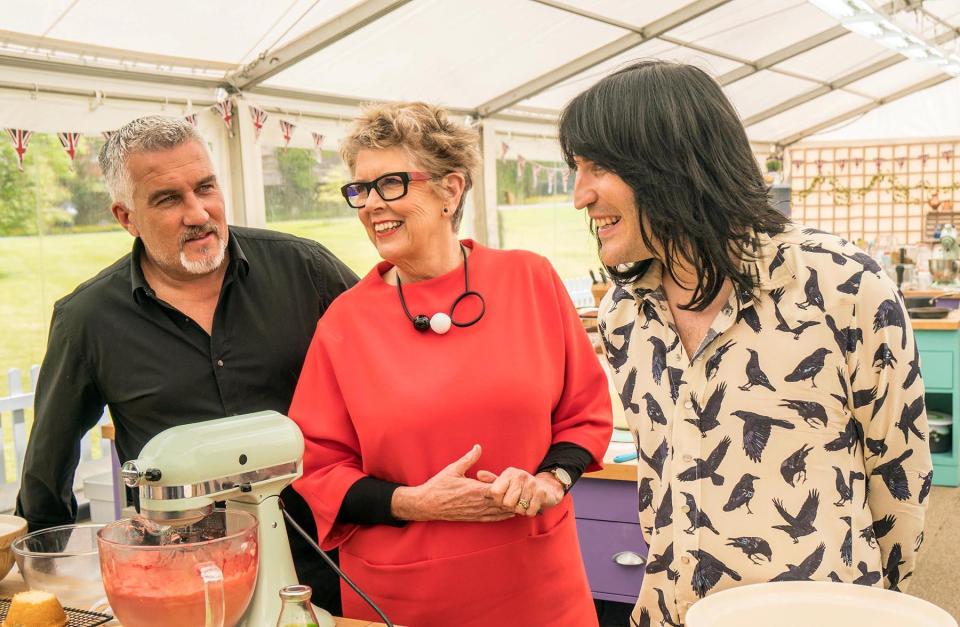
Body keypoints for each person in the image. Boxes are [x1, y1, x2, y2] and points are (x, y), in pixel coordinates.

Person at [559, 60, 932, 626]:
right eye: (575, 169)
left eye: (599, 167)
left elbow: (899, 477)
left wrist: (873, 605)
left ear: (670, 162)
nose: (579, 196)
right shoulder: (623, 314)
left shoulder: (841, 284)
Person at [15, 115, 357, 614]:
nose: (198, 213)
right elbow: (48, 472)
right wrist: (40, 590)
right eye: (168, 199)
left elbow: (391, 372)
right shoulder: (86, 319)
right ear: (126, 217)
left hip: (331, 566)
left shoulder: (306, 269)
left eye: (205, 188)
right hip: (182, 593)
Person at [288, 101, 613, 627]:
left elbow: (585, 411)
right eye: (360, 189)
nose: (372, 204)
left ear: (450, 189)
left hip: (537, 585)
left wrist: (551, 479)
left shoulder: (530, 280)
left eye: (390, 183)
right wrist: (414, 502)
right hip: (406, 599)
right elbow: (318, 468)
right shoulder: (344, 323)